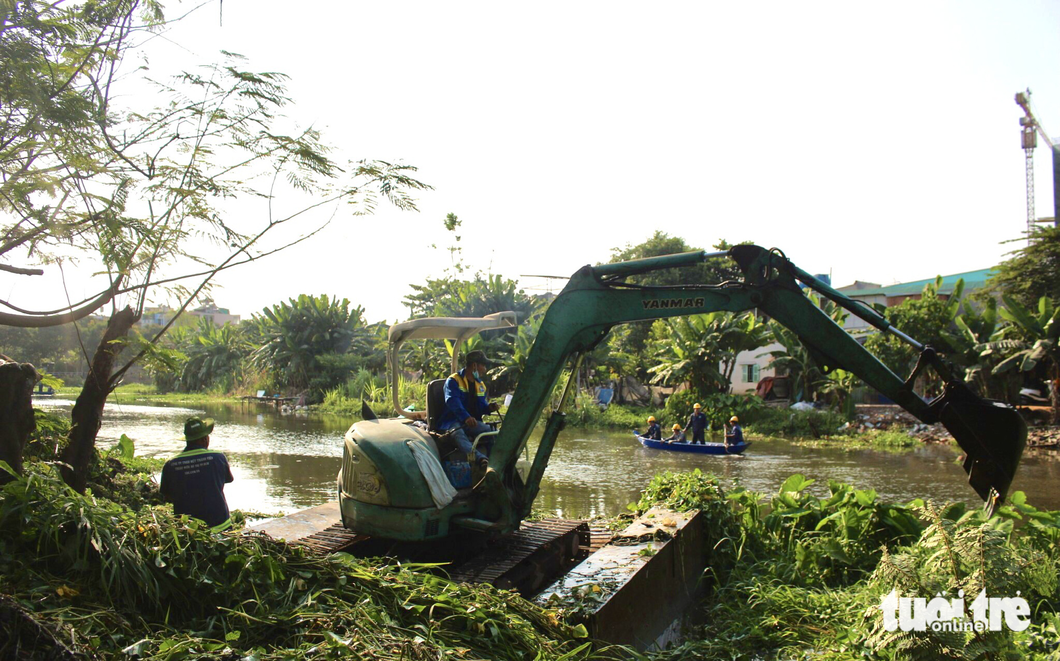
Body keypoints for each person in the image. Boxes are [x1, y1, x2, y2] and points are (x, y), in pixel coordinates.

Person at [160, 417, 234, 531]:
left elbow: (167, 496)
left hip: (187, 530)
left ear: (187, 439)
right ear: (205, 439)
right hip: (220, 526)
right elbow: (228, 479)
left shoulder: (170, 464)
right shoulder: (218, 457)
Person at [438, 350, 500, 470]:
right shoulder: (454, 381)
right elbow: (452, 401)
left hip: (471, 423)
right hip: (452, 422)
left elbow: (481, 406)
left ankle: (495, 462)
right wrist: (465, 417)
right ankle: (480, 459)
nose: (485, 369)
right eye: (483, 365)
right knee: (457, 434)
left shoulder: (480, 384)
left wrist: (488, 408)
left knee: (490, 431)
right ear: (474, 366)